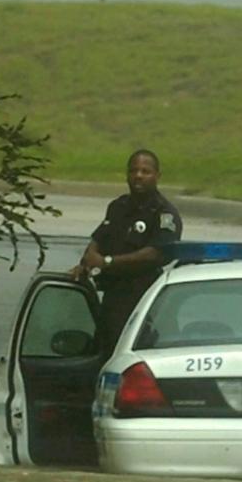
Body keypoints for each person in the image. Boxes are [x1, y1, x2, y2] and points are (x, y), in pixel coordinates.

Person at [72, 149, 182, 355]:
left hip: (143, 300)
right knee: (103, 353)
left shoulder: (164, 213)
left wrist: (106, 262)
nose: (138, 175)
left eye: (145, 171)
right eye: (134, 170)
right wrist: (86, 263)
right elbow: (99, 238)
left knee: (132, 356)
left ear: (157, 176)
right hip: (113, 298)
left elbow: (155, 253)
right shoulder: (117, 207)